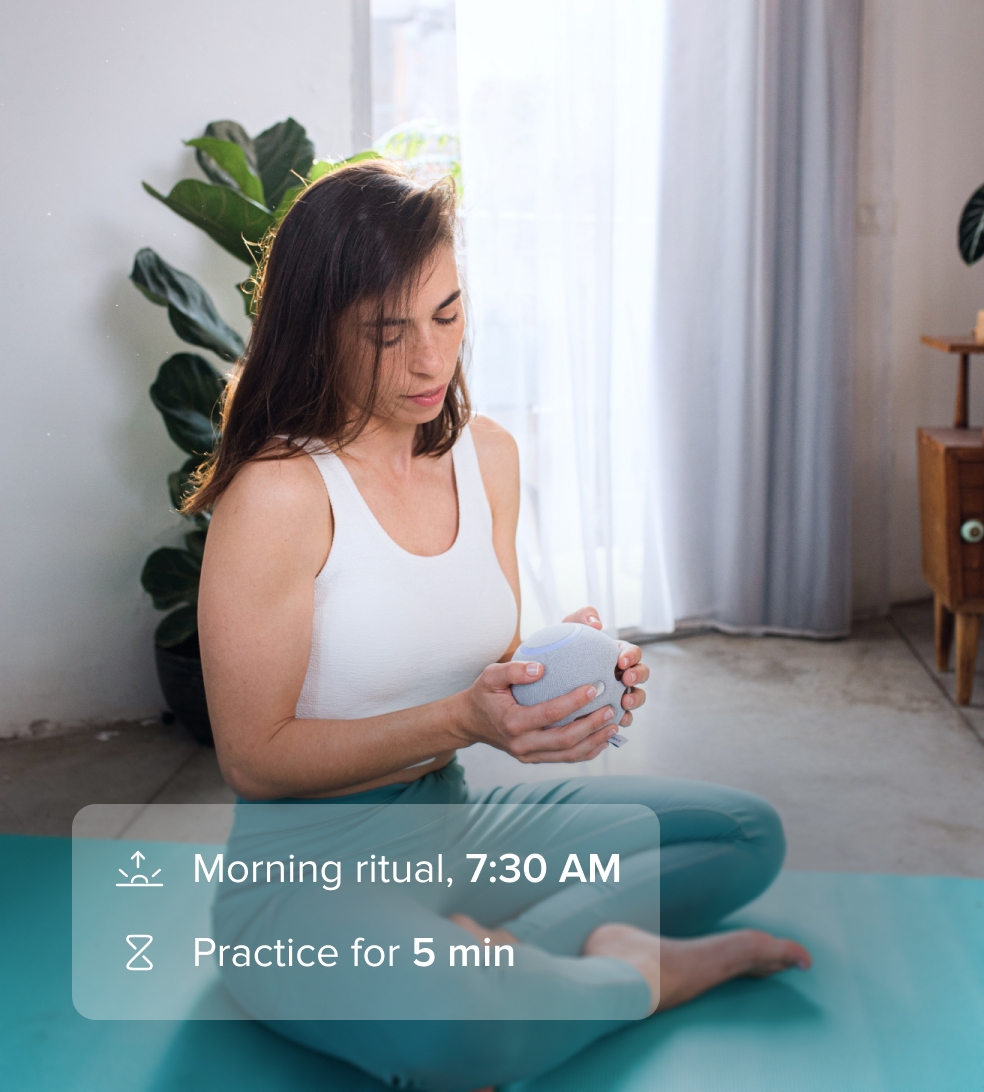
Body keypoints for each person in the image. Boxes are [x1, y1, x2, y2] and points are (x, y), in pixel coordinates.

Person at [191, 160, 810, 1092]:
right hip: (301, 883)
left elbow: (455, 656)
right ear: (318, 332)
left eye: (447, 314)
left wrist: (562, 667)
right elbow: (252, 757)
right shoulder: (278, 493)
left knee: (739, 836)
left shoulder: (486, 457)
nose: (431, 361)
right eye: (387, 334)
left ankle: (502, 957)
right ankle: (628, 973)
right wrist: (463, 723)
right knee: (465, 1031)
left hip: (456, 826)